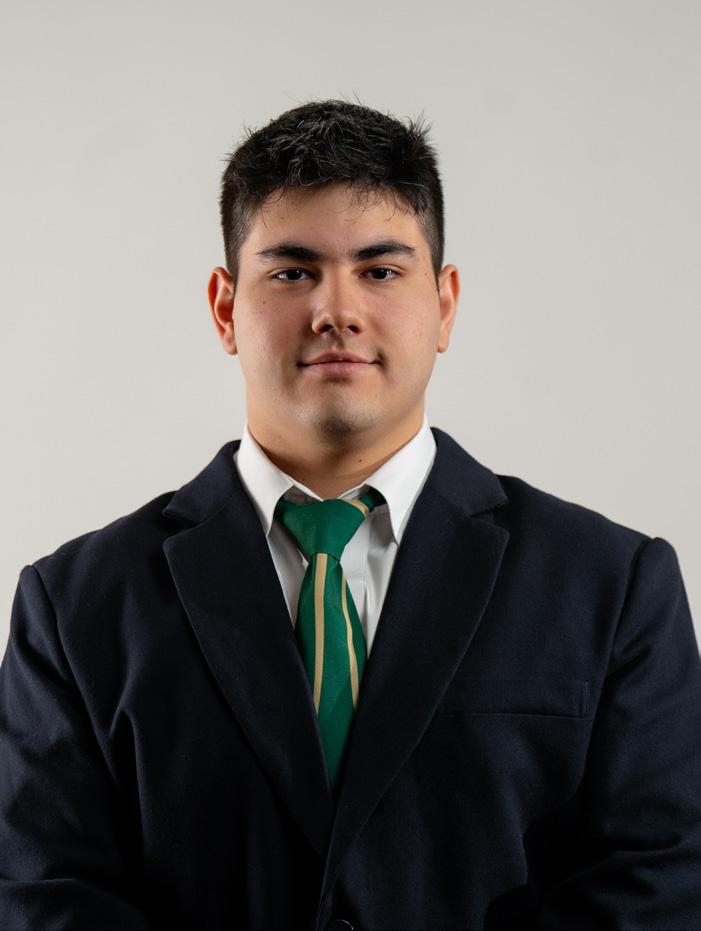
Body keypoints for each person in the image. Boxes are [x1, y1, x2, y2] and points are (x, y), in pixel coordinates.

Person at [1, 100, 700, 931]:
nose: (336, 310)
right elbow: (43, 893)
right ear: (225, 307)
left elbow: (660, 879)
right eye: (292, 272)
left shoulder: (611, 586)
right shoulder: (76, 605)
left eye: (380, 270)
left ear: (445, 303)